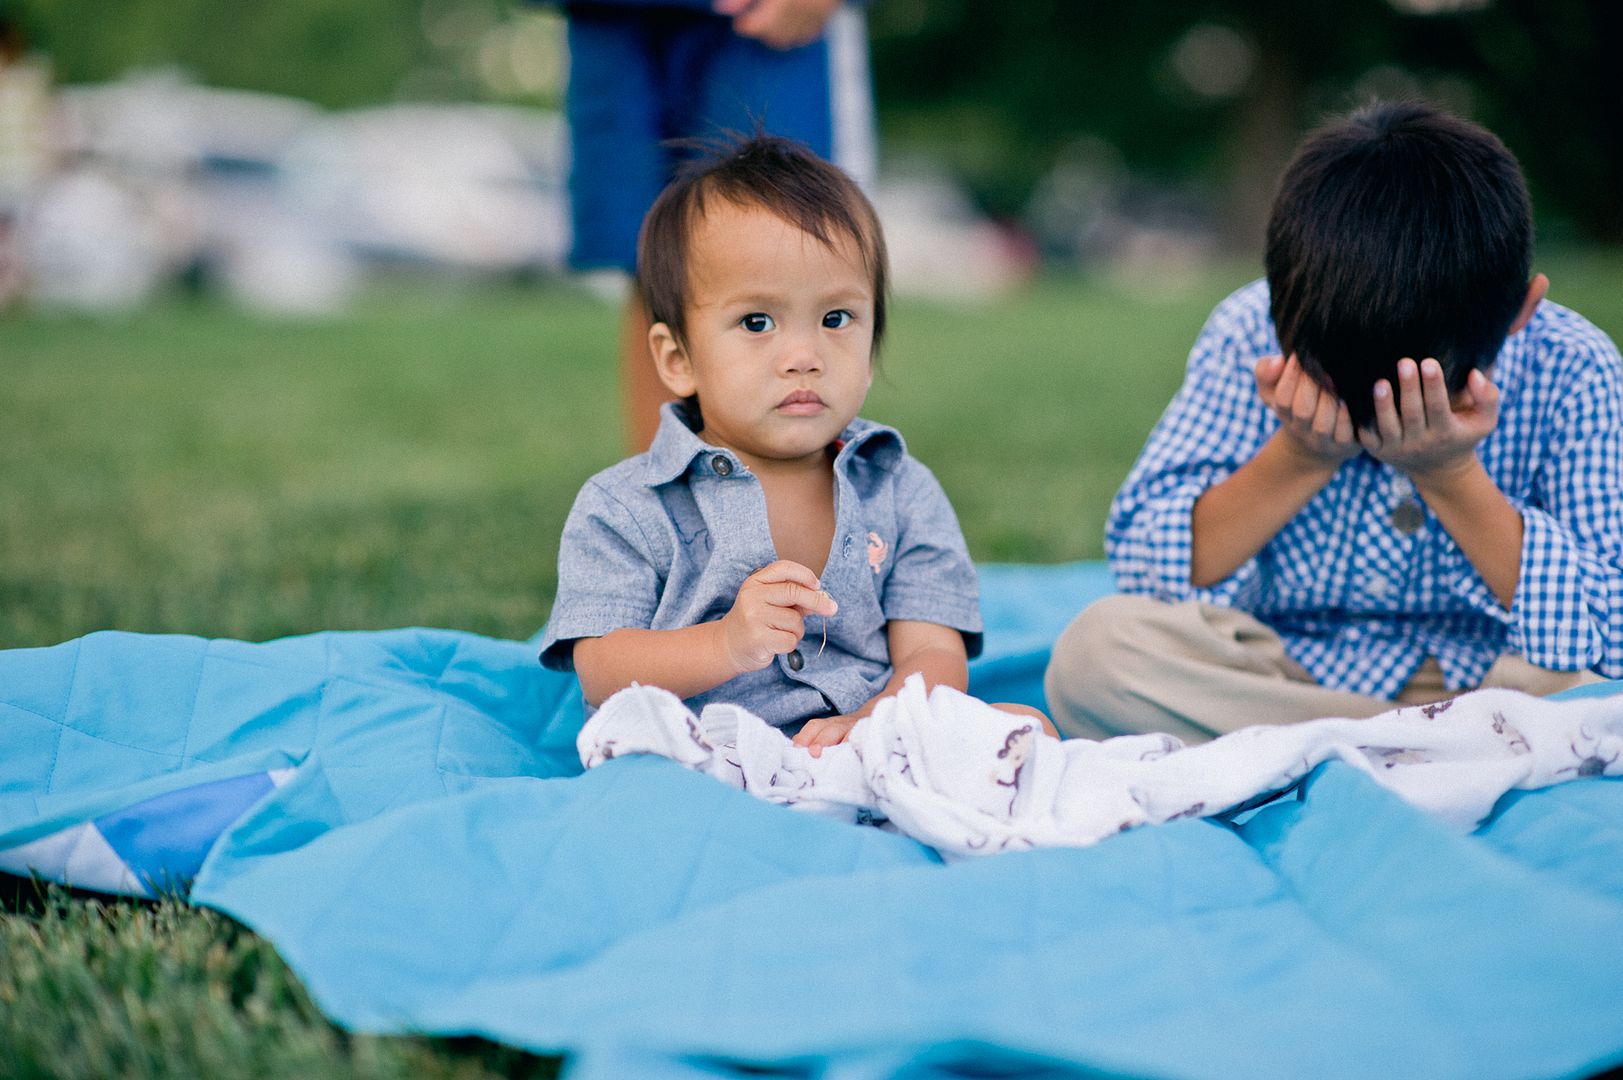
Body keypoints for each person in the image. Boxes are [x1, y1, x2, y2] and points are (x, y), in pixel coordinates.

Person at [1045, 100, 1623, 745]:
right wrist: (1299, 456)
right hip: (1291, 675)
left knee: (1588, 684)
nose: (1386, 416)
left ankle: (1356, 747)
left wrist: (1450, 475)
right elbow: (1147, 568)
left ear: (1521, 311)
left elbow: (1606, 629)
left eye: (1425, 392)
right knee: (1095, 657)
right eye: (1344, 386)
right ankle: (1442, 748)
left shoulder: (1574, 365)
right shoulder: (1247, 333)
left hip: (1493, 680)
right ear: (1278, 299)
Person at [540, 134, 1053, 754]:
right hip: (709, 753)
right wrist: (726, 643)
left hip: (864, 743)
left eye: (837, 319)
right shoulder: (625, 506)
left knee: (1027, 726)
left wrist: (880, 720)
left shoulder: (899, 487)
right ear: (678, 359)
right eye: (757, 322)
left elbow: (931, 650)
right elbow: (602, 669)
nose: (804, 357)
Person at [560, 0, 875, 451]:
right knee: (654, 260)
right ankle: (665, 501)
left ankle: (800, 500)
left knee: (792, 237)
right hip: (615, 19)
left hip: (757, 25)